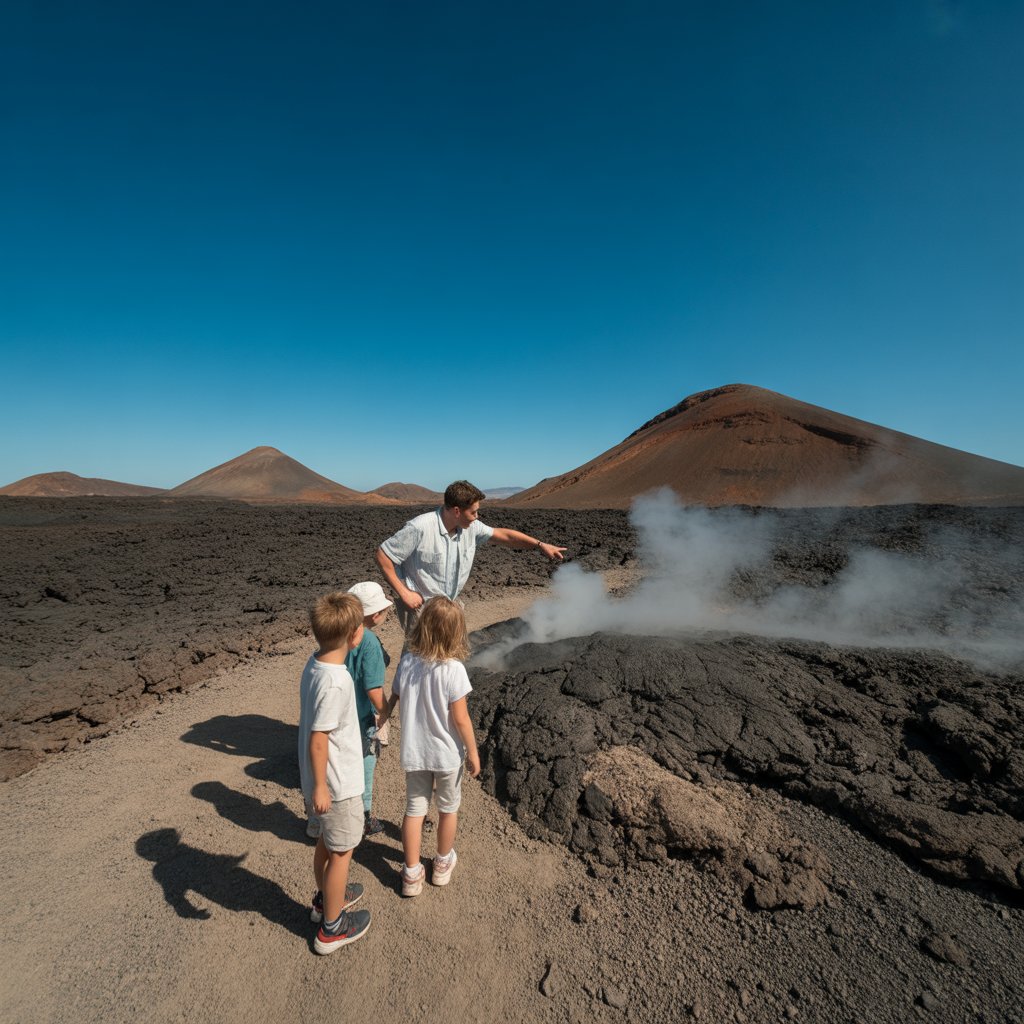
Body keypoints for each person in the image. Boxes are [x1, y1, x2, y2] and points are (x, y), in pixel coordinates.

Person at [376, 596, 480, 896]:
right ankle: (442, 863)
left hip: (415, 753)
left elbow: (393, 698)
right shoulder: (454, 670)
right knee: (448, 809)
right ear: (456, 632)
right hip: (446, 755)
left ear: (422, 627)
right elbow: (461, 719)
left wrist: (382, 718)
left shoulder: (408, 663)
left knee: (414, 810)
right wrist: (473, 752)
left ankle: (411, 873)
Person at [375, 480, 567, 636]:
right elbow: (383, 555)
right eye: (473, 512)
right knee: (418, 661)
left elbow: (505, 536)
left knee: (449, 658)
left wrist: (539, 545)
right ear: (457, 511)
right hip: (421, 608)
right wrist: (404, 593)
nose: (477, 516)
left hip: (450, 607)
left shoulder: (471, 528)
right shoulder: (420, 528)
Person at [298, 591, 371, 954]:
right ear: (355, 635)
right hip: (337, 785)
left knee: (327, 843)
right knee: (342, 852)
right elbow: (318, 740)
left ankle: (324, 899)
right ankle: (332, 927)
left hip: (322, 781)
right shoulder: (337, 681)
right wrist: (322, 787)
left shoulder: (314, 664)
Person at [345, 581, 394, 836]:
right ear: (376, 615)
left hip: (339, 715)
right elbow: (374, 689)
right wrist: (385, 713)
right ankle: (364, 816)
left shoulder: (338, 633)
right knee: (366, 760)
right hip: (361, 717)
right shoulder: (370, 642)